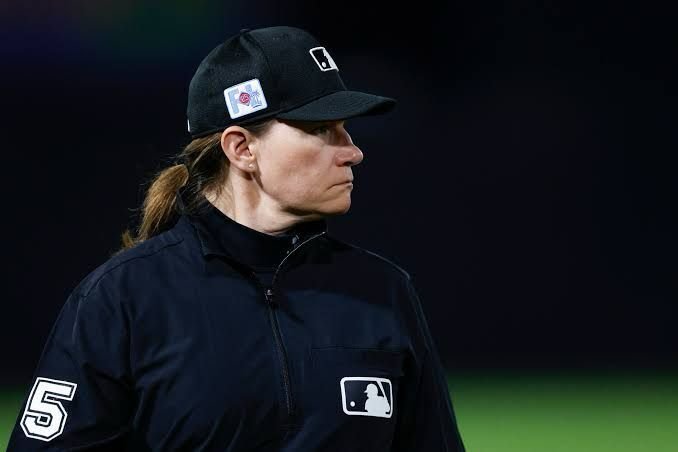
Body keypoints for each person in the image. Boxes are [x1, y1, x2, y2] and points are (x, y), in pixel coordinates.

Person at [7, 25, 466, 451]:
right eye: (321, 129)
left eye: (347, 129)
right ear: (242, 148)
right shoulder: (124, 299)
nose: (353, 152)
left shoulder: (382, 292)